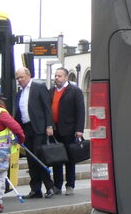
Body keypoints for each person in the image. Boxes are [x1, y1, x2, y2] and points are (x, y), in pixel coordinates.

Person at [14, 67, 56, 197]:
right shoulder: (19, 93)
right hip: (26, 129)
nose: (20, 80)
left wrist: (49, 126)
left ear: (29, 76)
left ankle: (49, 187)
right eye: (18, 78)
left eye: (22, 77)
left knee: (40, 158)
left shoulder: (39, 87)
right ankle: (35, 189)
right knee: (31, 159)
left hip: (38, 127)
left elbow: (47, 107)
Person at [49, 67, 85, 195]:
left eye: (59, 76)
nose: (56, 78)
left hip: (69, 129)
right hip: (55, 130)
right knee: (56, 159)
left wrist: (79, 129)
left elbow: (80, 111)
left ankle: (70, 184)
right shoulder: (51, 91)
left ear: (66, 77)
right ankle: (57, 185)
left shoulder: (75, 91)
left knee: (70, 158)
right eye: (56, 76)